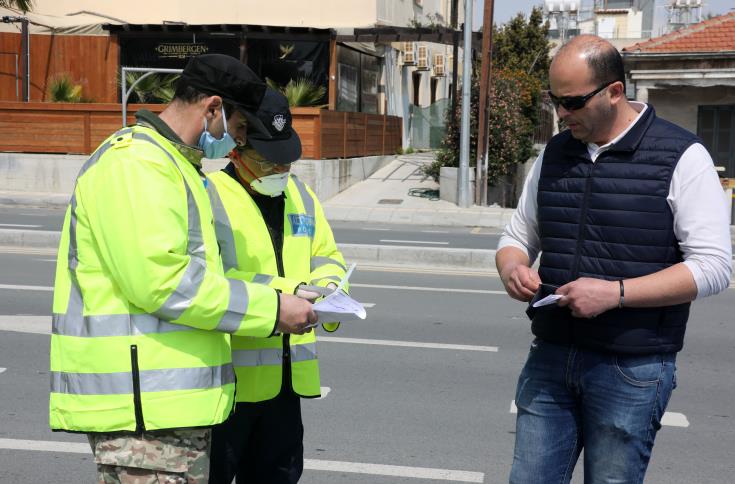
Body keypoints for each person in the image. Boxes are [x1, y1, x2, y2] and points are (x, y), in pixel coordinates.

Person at [49, 54, 317, 483]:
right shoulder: (138, 164)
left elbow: (207, 275)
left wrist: (283, 294)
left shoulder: (179, 168)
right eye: (240, 128)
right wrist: (271, 311)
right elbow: (164, 282)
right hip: (145, 416)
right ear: (212, 108)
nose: (235, 145)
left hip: (168, 408)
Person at [496, 35, 732, 483]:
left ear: (614, 92)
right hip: (551, 355)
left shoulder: (682, 156)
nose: (561, 114)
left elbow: (715, 266)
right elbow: (517, 234)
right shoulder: (553, 153)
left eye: (572, 102)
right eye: (555, 100)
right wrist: (512, 266)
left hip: (632, 366)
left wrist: (615, 294)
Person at [205, 87, 347, 484]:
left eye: (286, 159)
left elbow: (328, 256)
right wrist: (291, 292)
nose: (280, 170)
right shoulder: (211, 196)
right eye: (270, 161)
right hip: (230, 389)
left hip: (287, 386)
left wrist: (329, 289)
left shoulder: (300, 194)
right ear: (239, 144)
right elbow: (212, 278)